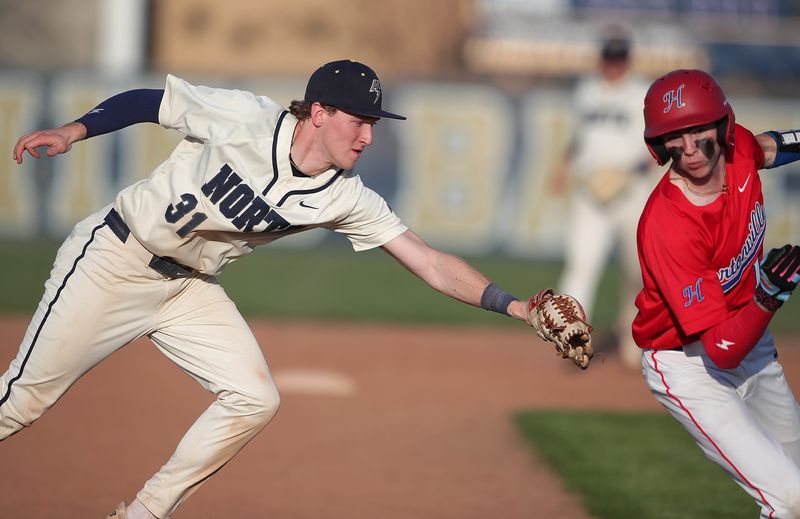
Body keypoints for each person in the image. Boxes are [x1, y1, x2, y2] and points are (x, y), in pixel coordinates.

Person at [1, 60, 578, 519]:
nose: (368, 137)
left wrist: (520, 307)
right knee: (23, 401)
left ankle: (146, 513)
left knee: (255, 399)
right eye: (359, 120)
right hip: (116, 259)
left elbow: (427, 261)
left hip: (188, 290)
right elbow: (150, 102)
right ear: (319, 112)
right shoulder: (245, 118)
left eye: (374, 123)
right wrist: (74, 130)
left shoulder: (344, 195)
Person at [633, 68, 800, 517]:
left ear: (723, 125)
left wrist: (761, 299)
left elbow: (773, 146)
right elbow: (720, 350)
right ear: (658, 146)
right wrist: (769, 295)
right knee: (788, 498)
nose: (689, 148)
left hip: (750, 337)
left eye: (699, 129)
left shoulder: (737, 149)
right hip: (688, 362)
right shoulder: (668, 225)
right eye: (674, 136)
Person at [551, 30, 656, 369]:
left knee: (637, 272)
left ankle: (633, 341)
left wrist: (629, 172)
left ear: (627, 60)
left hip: (632, 192)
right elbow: (579, 136)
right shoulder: (587, 90)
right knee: (581, 263)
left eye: (618, 60)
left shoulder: (642, 93)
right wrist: (564, 167)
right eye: (609, 59)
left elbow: (658, 143)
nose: (613, 66)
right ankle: (571, 341)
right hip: (590, 193)